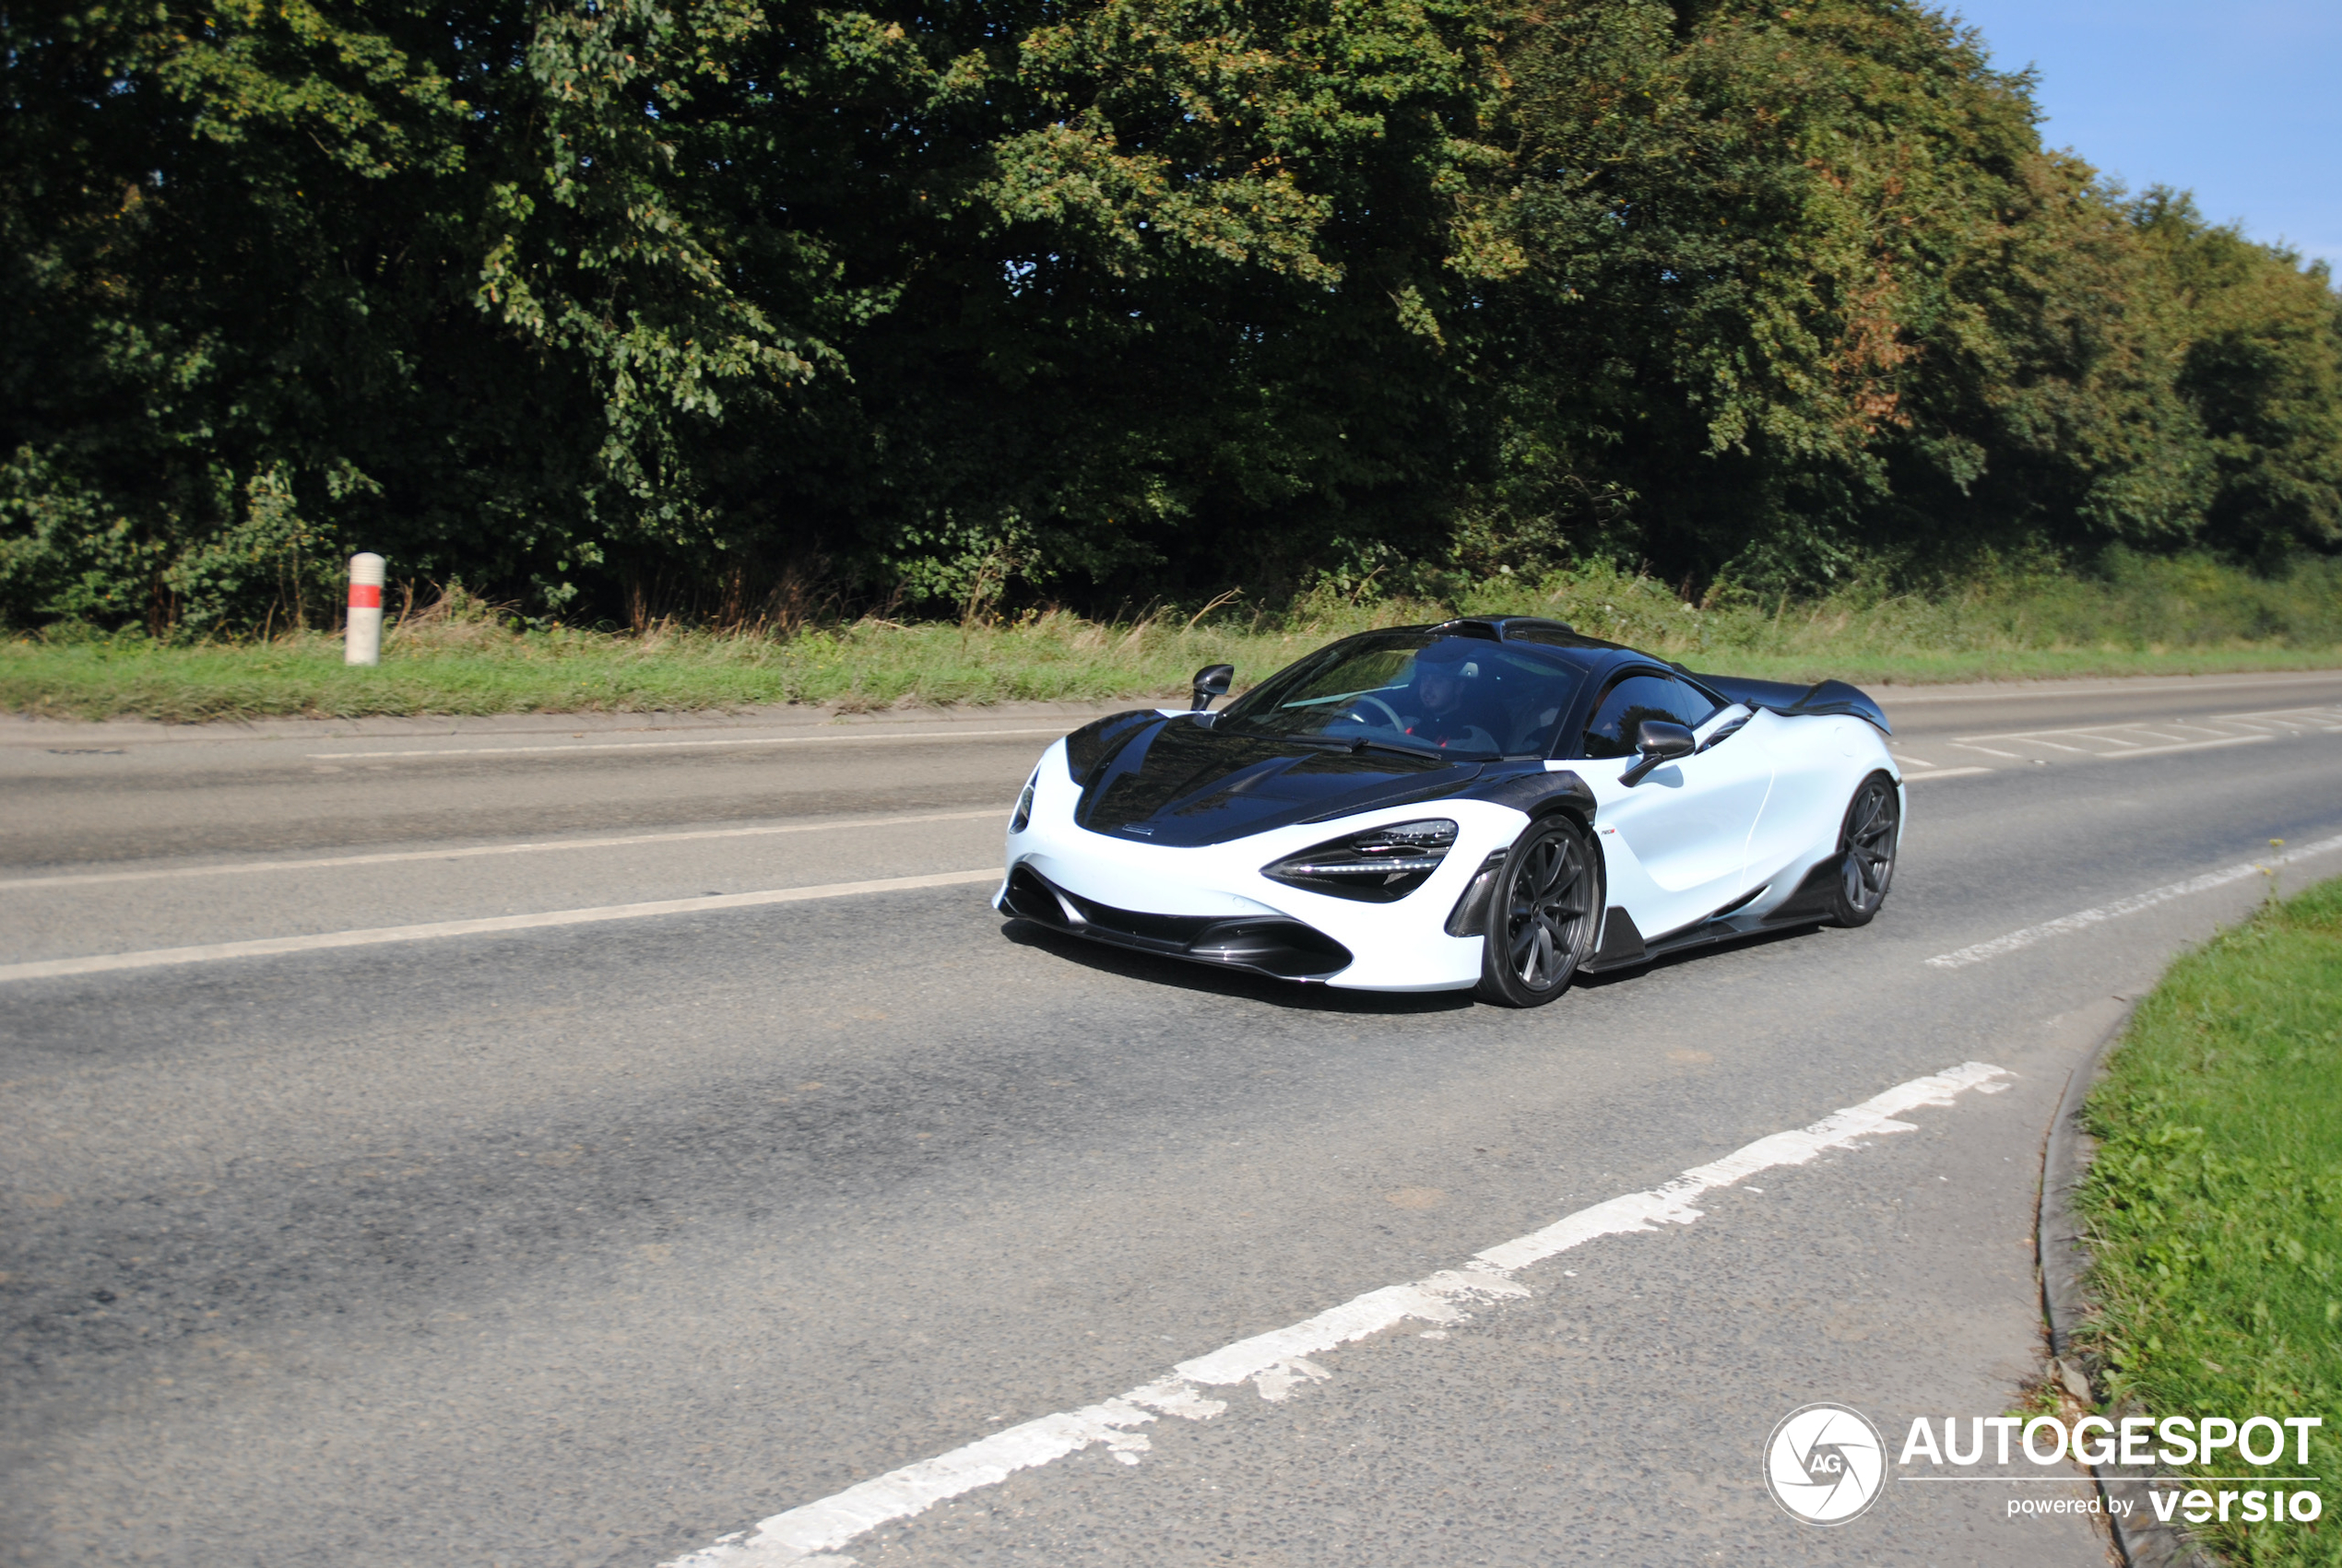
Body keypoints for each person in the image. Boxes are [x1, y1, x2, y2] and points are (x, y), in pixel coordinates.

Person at [1402, 645, 1498, 751]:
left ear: (1459, 688)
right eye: (1425, 679)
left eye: (1438, 680)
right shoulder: (1408, 720)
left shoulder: (1474, 737)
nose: (1428, 686)